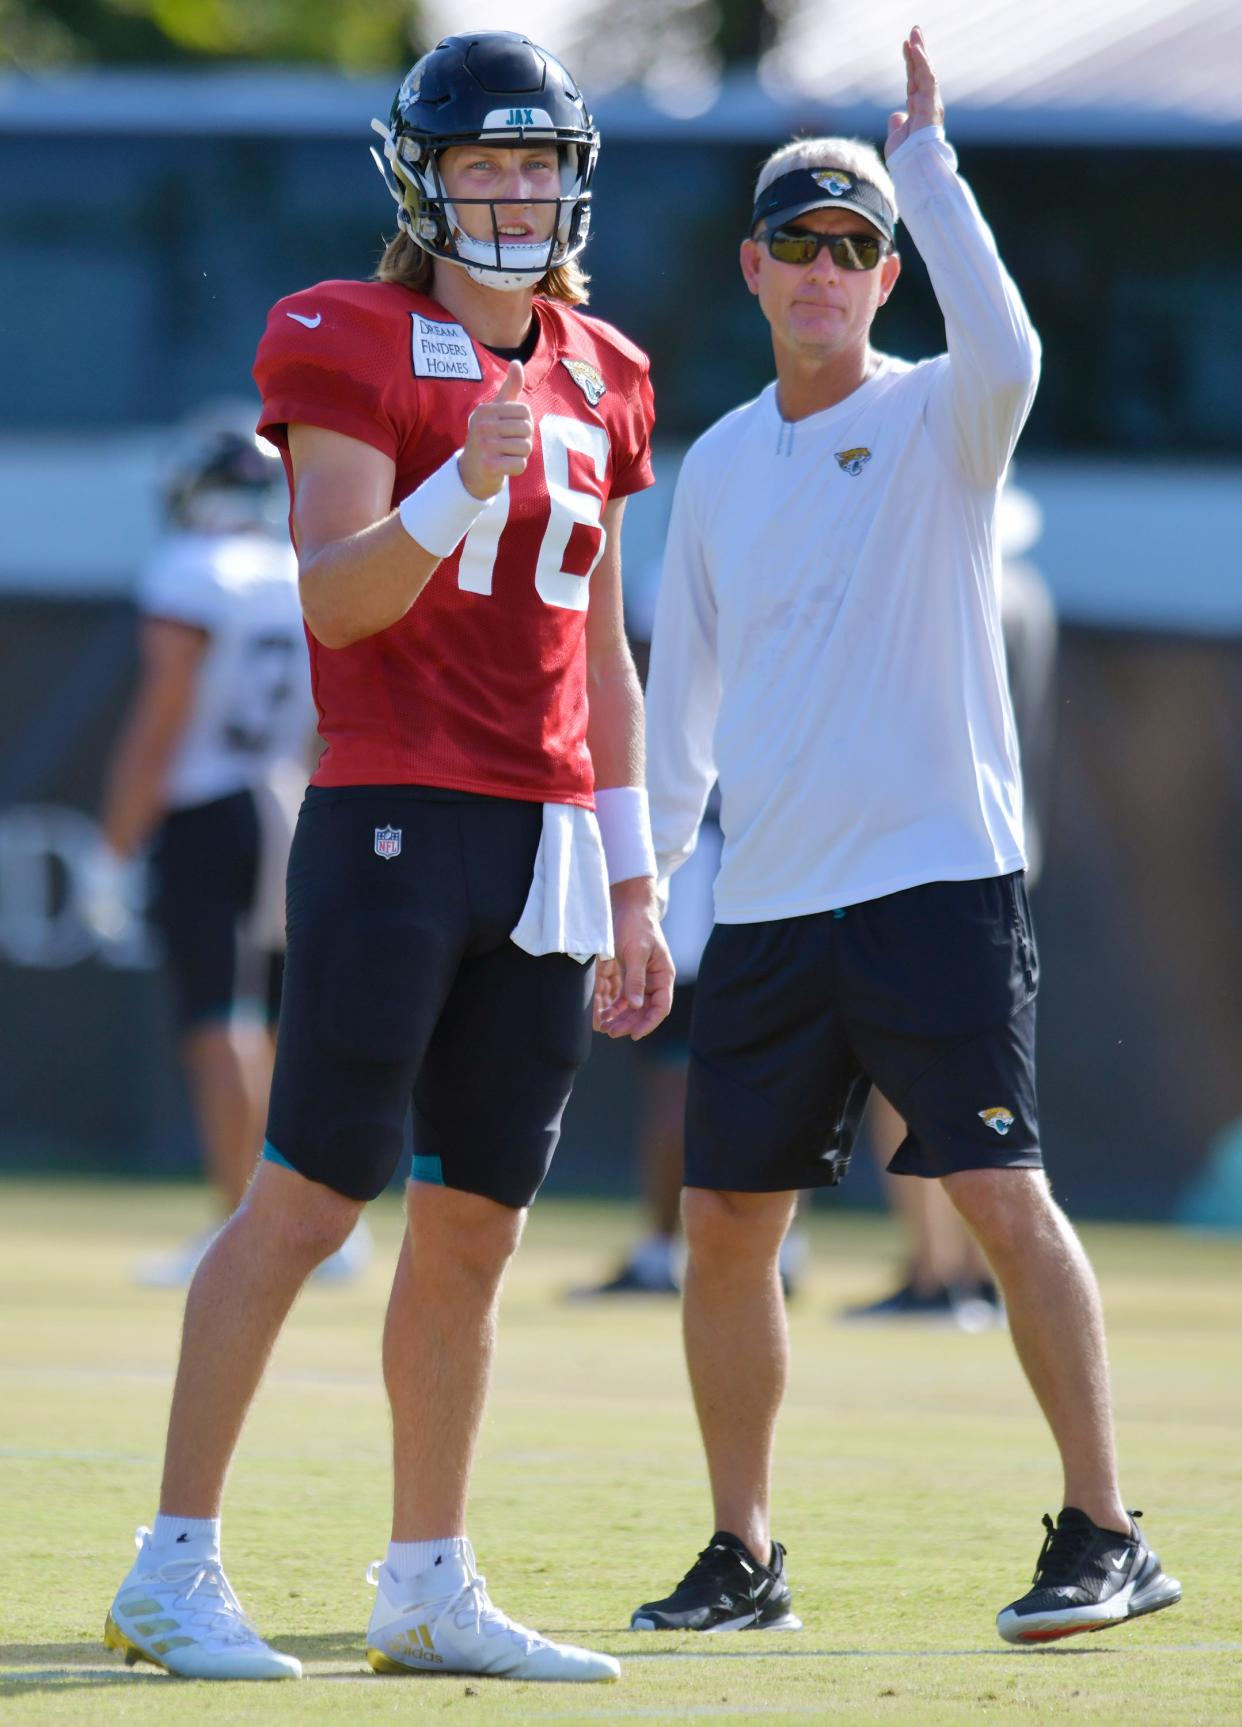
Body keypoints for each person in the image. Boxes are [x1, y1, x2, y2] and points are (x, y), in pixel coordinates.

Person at [104, 31, 671, 1684]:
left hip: (551, 832)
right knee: (305, 1196)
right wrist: (453, 498)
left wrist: (634, 879)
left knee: (479, 1221)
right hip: (396, 811)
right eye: (480, 162)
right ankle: (172, 1562)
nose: (511, 190)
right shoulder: (343, 332)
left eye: (534, 161)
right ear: (421, 177)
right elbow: (335, 594)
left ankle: (426, 1579)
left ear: (572, 174)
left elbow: (604, 648)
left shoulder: (607, 367)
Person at [634, 28, 1180, 1646]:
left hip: (937, 886)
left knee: (1001, 1194)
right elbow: (683, 710)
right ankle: (745, 1553)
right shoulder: (720, 464)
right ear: (752, 267)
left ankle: (1103, 1526)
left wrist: (926, 167)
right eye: (796, 241)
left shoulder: (950, 412)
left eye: (851, 246)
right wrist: (648, 887)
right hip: (773, 909)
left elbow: (1005, 344)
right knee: (725, 1227)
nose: (822, 267)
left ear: (884, 275)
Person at [85, 409, 372, 1286]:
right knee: (284, 1027)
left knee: (221, 1023)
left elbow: (162, 716)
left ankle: (241, 1225)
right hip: (290, 799)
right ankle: (317, 1221)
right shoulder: (297, 570)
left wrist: (114, 845)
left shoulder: (191, 570)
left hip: (210, 805)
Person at [842, 528, 1058, 1328]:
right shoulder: (1029, 594)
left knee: (901, 1072)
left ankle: (937, 1273)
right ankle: (967, 1273)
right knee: (982, 1075)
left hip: (928, 855)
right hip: (1000, 850)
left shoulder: (962, 591)